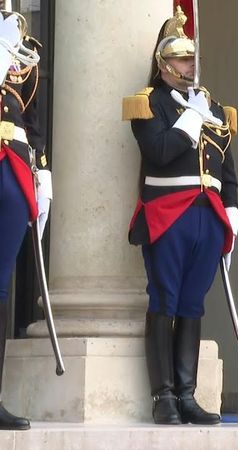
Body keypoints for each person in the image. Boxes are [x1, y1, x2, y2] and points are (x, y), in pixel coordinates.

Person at [122, 6, 238, 425]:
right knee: (165, 299)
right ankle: (163, 396)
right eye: (182, 58)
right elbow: (159, 152)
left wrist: (233, 214)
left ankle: (187, 394)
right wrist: (191, 117)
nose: (191, 65)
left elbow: (227, 170)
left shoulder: (216, 108)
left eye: (193, 58)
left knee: (193, 303)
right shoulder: (148, 103)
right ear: (163, 64)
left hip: (209, 216)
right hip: (168, 212)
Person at [0, 10, 50, 431]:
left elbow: (32, 121)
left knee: (0, 287)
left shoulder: (26, 52)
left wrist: (43, 170)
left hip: (13, 167)